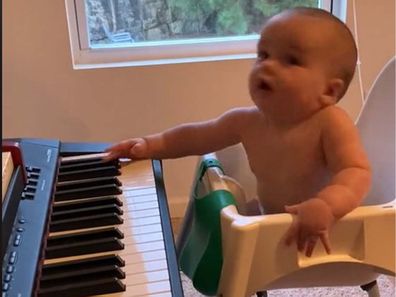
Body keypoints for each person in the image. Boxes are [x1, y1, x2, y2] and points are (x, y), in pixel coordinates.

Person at [104, 7, 371, 257]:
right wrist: (151, 145)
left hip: (321, 233)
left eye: (291, 60)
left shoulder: (331, 123)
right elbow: (197, 137)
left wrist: (326, 205)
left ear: (329, 91)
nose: (267, 66)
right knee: (220, 238)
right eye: (263, 55)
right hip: (270, 221)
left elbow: (355, 172)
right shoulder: (246, 121)